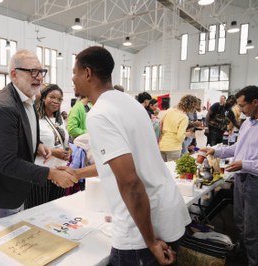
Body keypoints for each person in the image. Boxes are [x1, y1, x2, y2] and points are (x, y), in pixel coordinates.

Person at [67, 46, 190, 265]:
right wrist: (77, 173)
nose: (73, 79)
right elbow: (125, 162)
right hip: (166, 212)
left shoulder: (99, 114)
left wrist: (150, 241)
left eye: (74, 73)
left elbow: (130, 181)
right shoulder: (130, 103)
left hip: (140, 231)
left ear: (87, 73)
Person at [0, 49, 77, 220]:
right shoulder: (5, 108)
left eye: (42, 72)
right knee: (10, 238)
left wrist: (37, 146)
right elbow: (7, 162)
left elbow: (20, 135)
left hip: (21, 184)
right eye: (33, 72)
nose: (39, 77)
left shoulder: (27, 100)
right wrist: (51, 174)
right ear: (14, 75)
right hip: (7, 188)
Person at [200, 85, 258, 265]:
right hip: (240, 180)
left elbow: (246, 160)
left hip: (254, 182)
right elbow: (237, 148)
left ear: (255, 102)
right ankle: (243, 255)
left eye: (242, 106)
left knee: (252, 229)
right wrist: (215, 151)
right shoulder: (247, 123)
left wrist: (245, 164)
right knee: (239, 221)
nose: (239, 110)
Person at [24, 84, 71, 209]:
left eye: (59, 99)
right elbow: (29, 146)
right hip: (41, 172)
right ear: (44, 98)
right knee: (37, 211)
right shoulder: (34, 119)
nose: (56, 101)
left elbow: (64, 142)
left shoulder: (59, 119)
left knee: (57, 210)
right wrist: (55, 152)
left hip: (59, 171)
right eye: (52, 97)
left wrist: (69, 150)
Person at [159, 95, 199, 162]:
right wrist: (186, 134)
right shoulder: (183, 117)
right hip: (173, 147)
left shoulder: (169, 110)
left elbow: (161, 124)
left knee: (162, 169)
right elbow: (180, 137)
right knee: (172, 170)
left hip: (162, 145)